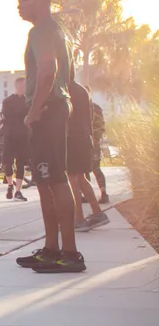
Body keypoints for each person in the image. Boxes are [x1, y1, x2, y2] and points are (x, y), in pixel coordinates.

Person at [14, 0, 84, 273]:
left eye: (24, 0)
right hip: (55, 106)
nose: (18, 6)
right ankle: (51, 249)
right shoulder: (57, 31)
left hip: (48, 109)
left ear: (41, 2)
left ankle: (69, 253)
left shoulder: (41, 30)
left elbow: (48, 71)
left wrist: (33, 110)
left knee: (54, 179)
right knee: (45, 181)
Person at [67, 81, 109, 232]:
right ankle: (97, 213)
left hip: (72, 139)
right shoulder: (81, 91)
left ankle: (79, 219)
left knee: (73, 178)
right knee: (79, 178)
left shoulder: (67, 91)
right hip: (83, 139)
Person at [1, 78, 30, 202]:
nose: (24, 88)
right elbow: (6, 115)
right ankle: (10, 185)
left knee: (21, 163)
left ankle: (18, 191)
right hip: (10, 135)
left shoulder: (28, 100)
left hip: (23, 136)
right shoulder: (8, 101)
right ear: (17, 86)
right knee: (7, 162)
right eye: (23, 85)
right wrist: (22, 115)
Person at [88, 97, 109, 204]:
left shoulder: (94, 108)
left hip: (92, 143)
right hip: (84, 143)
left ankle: (104, 194)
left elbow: (100, 126)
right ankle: (86, 194)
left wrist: (96, 138)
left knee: (95, 168)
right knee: (84, 170)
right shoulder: (82, 107)